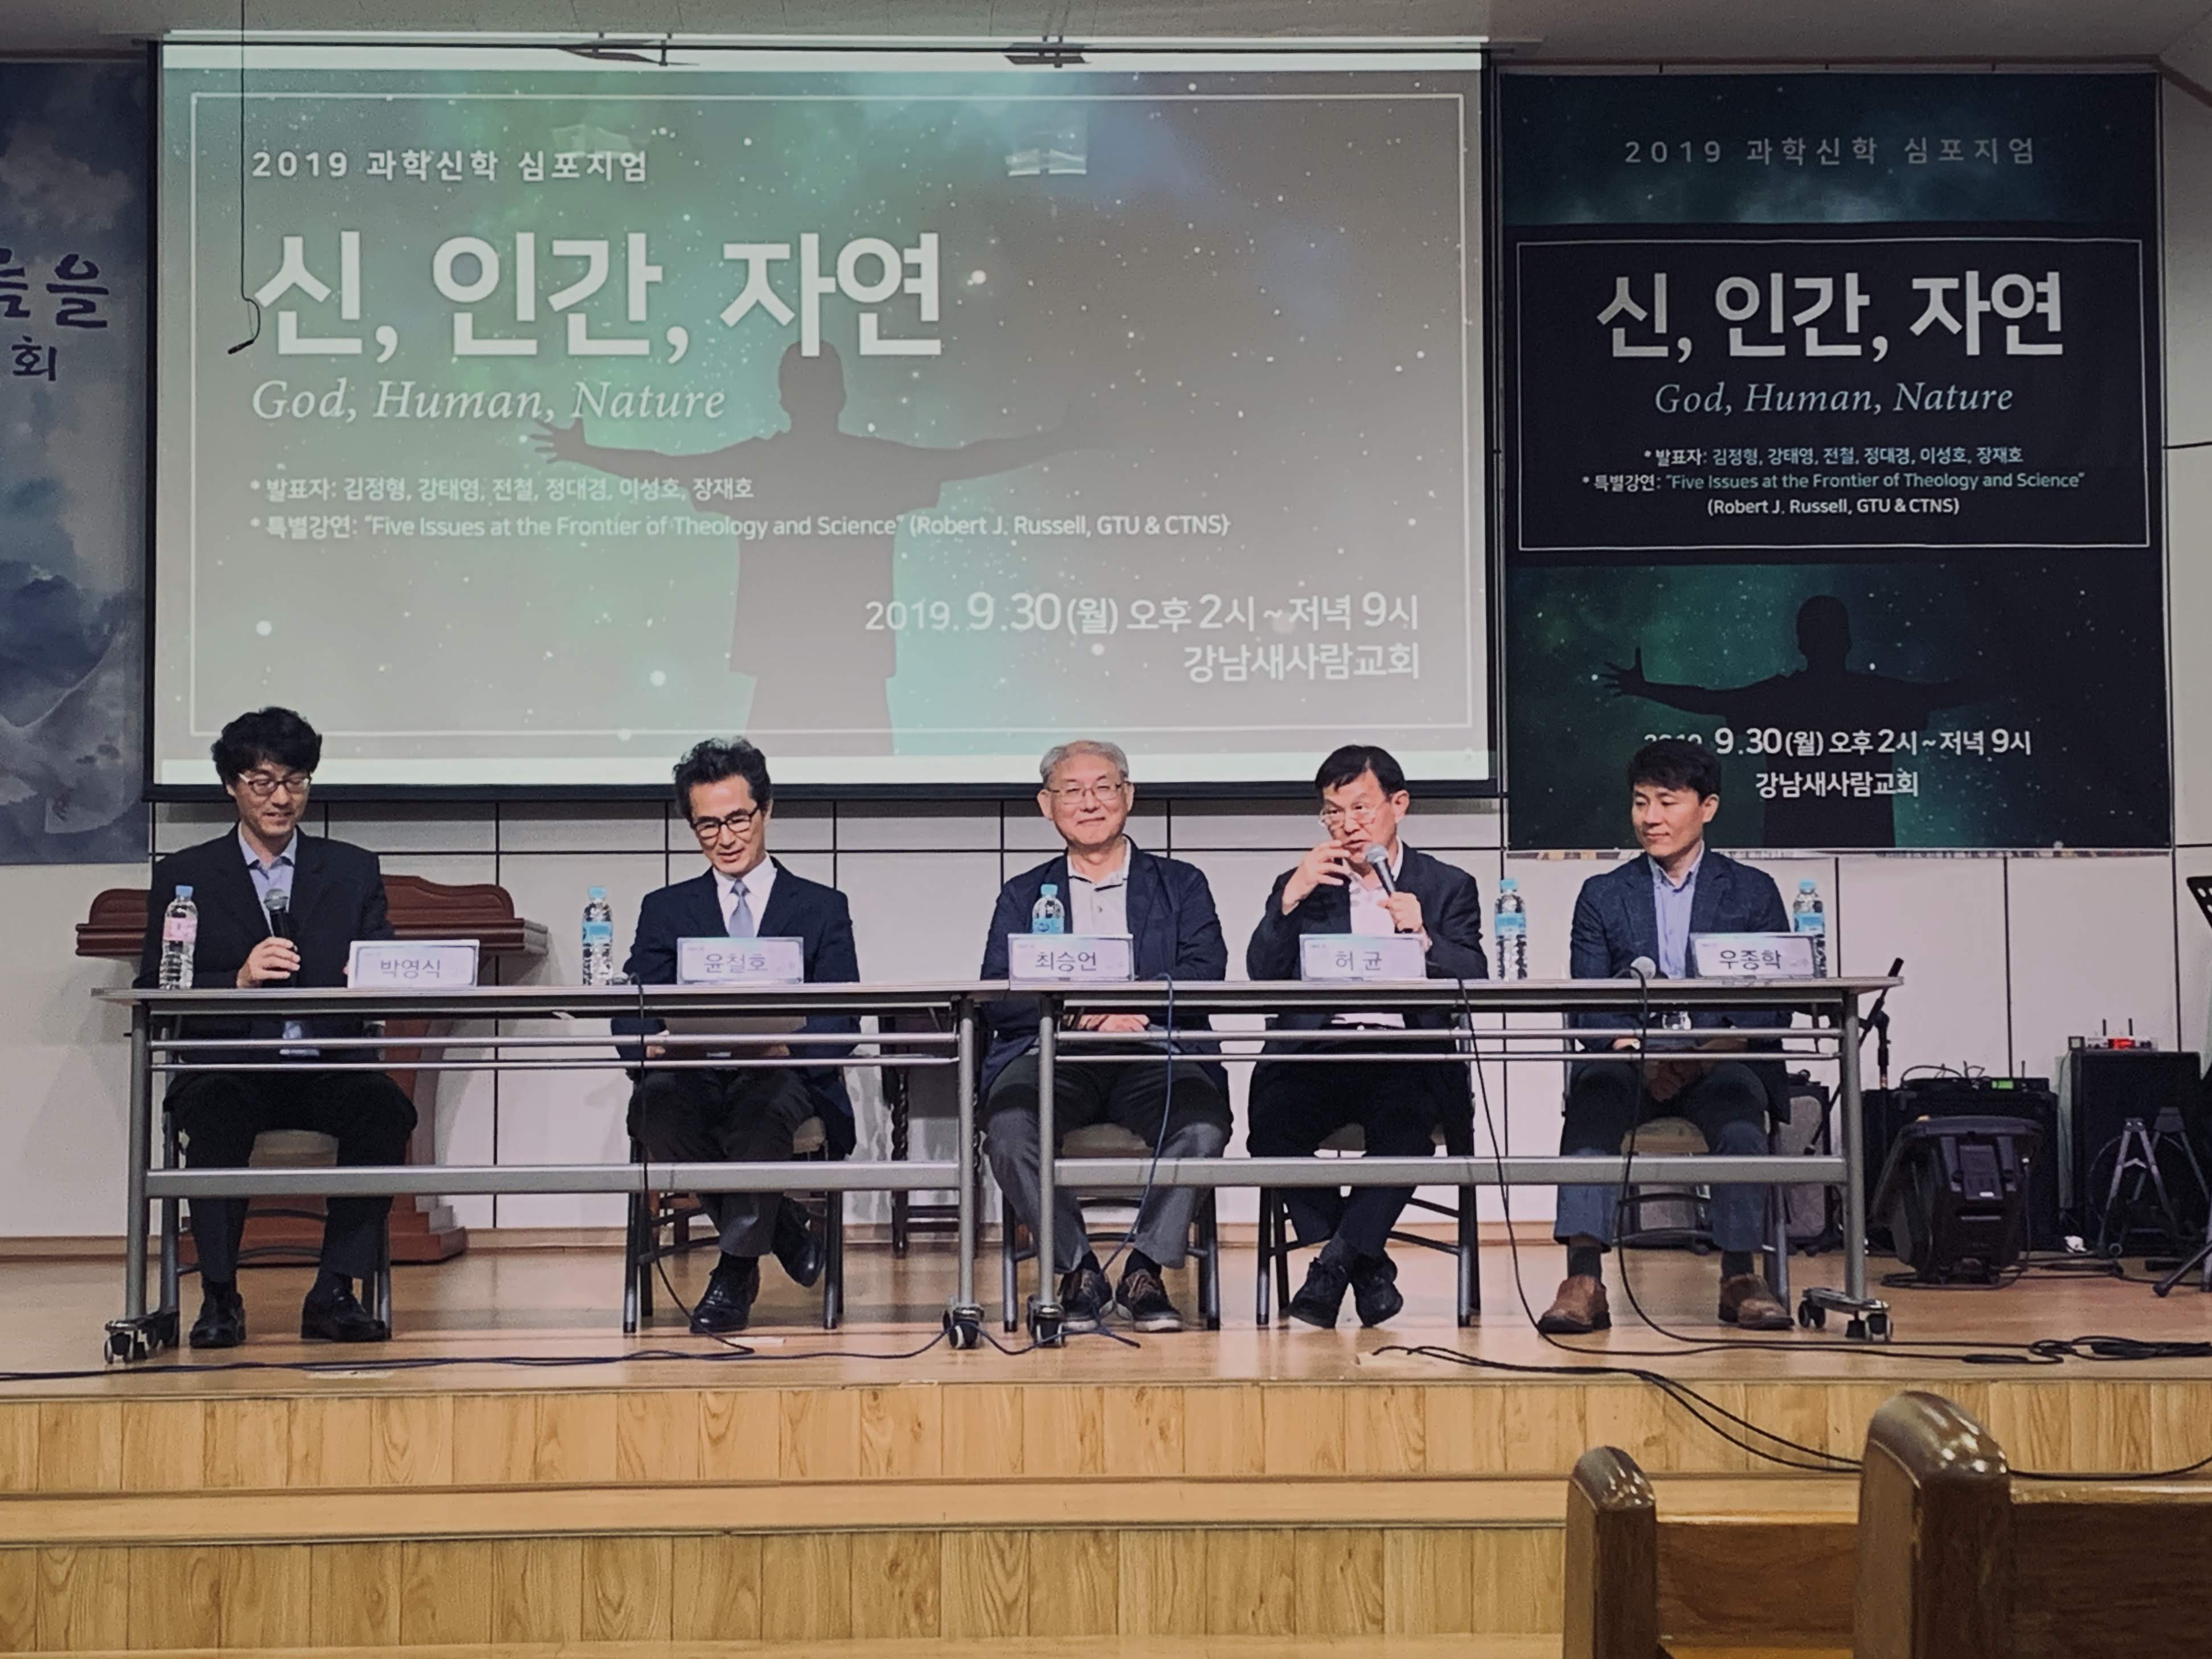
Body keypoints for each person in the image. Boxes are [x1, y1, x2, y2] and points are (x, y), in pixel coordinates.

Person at [534, 344, 1096, 752]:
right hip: (843, 669)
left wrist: (587, 454)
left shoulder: (759, 464)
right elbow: (967, 459)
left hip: (794, 669)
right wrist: (1061, 440)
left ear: (784, 396)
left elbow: (666, 469)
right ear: (840, 395)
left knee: (771, 806)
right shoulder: (868, 464)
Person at [134, 707, 416, 1347]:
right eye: (263, 782)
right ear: (232, 785)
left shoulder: (351, 870)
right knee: (216, 1113)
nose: (281, 798)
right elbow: (157, 983)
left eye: (294, 781)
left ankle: (335, 1290)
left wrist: (374, 972)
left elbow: (384, 960)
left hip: (326, 1064)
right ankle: (219, 1296)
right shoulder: (187, 875)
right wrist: (235, 980)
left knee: (385, 1110)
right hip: (230, 1063)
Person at [1539, 738, 1796, 1335]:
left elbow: (1770, 1007)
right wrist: (1636, 1053)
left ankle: (1740, 1275)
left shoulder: (1752, 891)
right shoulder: (1604, 894)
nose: (1650, 818)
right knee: (1590, 1112)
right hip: (1630, 1062)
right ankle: (1583, 1280)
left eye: (1666, 801)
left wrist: (1700, 1057)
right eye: (1640, 802)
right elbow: (1589, 1004)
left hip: (1717, 1061)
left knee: (1740, 1123)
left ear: (1707, 807)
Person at [979, 740, 1231, 1333]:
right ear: (1046, 805)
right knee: (1009, 1132)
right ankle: (1079, 1269)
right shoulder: (1023, 893)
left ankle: (1144, 1268)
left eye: (1103, 787)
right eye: (1072, 791)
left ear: (1128, 795)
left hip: (1154, 1050)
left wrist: (1132, 1004)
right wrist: (1083, 1014)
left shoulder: (1181, 884)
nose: (1089, 803)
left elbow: (1206, 971)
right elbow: (997, 993)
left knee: (1202, 1127)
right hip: (1055, 1054)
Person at [618, 739, 860, 1334]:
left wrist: (786, 1046)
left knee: (761, 1111)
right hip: (692, 1070)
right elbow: (632, 1008)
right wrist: (654, 1042)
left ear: (766, 810)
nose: (725, 838)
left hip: (783, 1073)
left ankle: (734, 1270)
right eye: (708, 825)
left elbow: (843, 1016)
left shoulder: (821, 906)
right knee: (654, 1109)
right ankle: (783, 1230)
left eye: (737, 819)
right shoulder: (666, 908)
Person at [1246, 744, 1489, 1328]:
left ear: (1398, 805)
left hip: (1405, 1055)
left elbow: (1474, 976)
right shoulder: (1305, 884)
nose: (1347, 825)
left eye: (1360, 808)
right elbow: (1262, 974)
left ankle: (1332, 1265)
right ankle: (1363, 1263)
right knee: (1271, 1129)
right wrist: (1290, 899)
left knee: (1405, 1134)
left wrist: (1424, 939)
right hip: (1317, 1054)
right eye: (1333, 812)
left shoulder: (1446, 885)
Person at [1600, 595, 1985, 847]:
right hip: (1841, 844)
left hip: (1819, 845)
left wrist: (1644, 689)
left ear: (1802, 642)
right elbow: (1948, 694)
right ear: (1847, 641)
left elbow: (1710, 700)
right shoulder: (1874, 694)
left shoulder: (1782, 696)